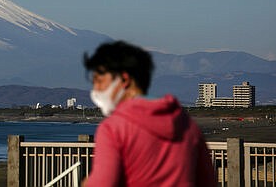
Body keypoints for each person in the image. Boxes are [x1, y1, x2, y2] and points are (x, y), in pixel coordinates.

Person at [82, 41, 216, 187]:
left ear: (124, 80)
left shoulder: (114, 129)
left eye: (100, 81)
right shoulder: (188, 126)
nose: (95, 89)